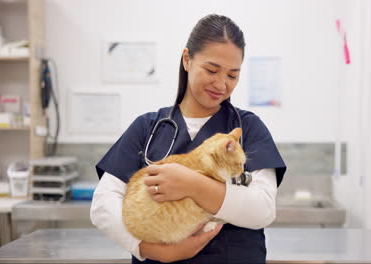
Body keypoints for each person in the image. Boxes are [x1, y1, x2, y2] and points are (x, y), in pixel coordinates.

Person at [90, 14, 286, 264]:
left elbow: (263, 209)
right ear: (187, 60)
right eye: (211, 69)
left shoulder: (247, 128)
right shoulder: (147, 128)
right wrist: (148, 249)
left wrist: (191, 184)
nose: (221, 84)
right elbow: (103, 205)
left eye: (232, 75)